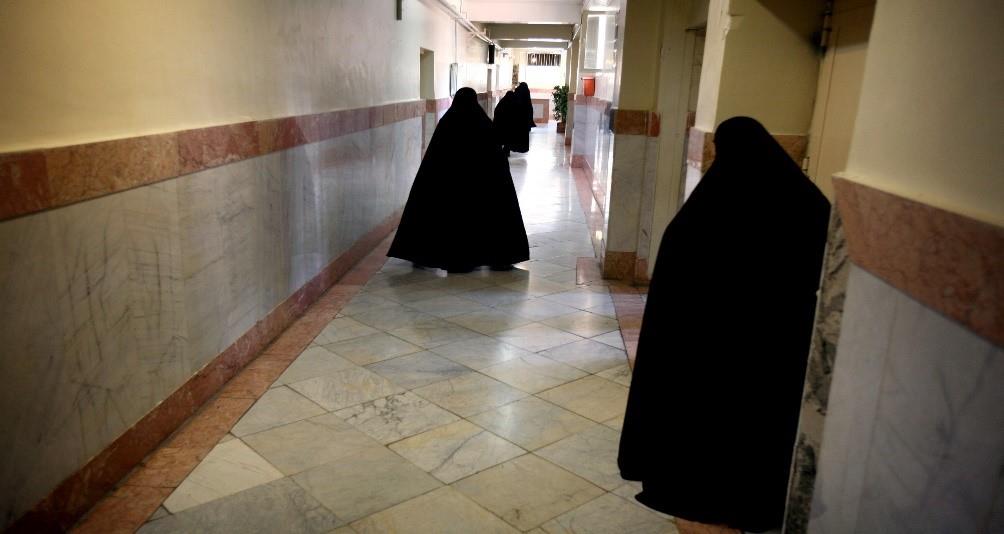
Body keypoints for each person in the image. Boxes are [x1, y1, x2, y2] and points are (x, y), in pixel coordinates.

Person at [617, 116, 831, 532]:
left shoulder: (698, 220)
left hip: (705, 373)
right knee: (761, 453)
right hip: (777, 366)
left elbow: (669, 311)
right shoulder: (809, 207)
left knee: (706, 467)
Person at [387, 87, 529, 273]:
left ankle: (432, 254)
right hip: (481, 190)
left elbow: (433, 161)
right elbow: (497, 162)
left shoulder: (447, 124)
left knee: (446, 219)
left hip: (451, 189)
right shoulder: (484, 124)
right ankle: (497, 257)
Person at [494, 82, 536, 154]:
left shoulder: (513, 96)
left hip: (509, 120)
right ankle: (507, 148)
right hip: (515, 121)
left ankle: (506, 149)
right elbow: (529, 110)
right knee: (511, 135)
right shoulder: (525, 96)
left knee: (507, 135)